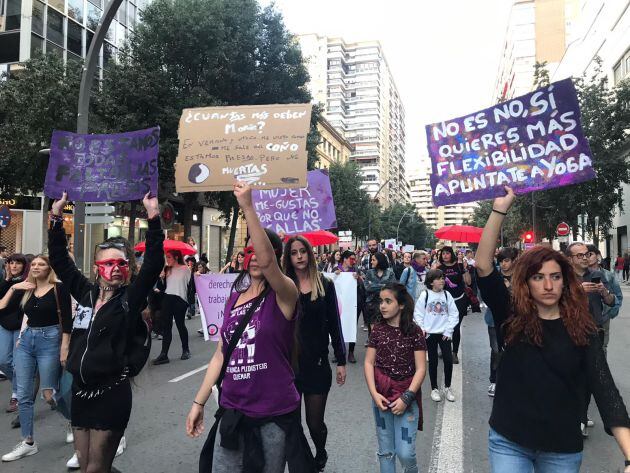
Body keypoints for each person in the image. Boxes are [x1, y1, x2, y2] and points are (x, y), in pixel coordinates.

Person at [476, 186, 630, 473]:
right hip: (509, 440)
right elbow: (483, 265)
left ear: (564, 281)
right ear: (526, 282)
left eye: (555, 277)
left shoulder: (583, 328)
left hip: (561, 447)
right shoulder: (511, 314)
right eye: (538, 277)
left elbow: (605, 390)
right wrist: (499, 209)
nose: (548, 286)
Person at [186, 181, 315, 472]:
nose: (255, 256)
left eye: (262, 250)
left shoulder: (286, 293)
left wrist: (247, 206)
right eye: (250, 251)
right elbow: (220, 354)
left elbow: (268, 264)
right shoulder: (234, 297)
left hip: (274, 413)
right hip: (233, 409)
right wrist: (199, 402)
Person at [44, 191, 162, 472]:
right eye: (108, 264)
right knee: (87, 467)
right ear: (97, 268)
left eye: (121, 263)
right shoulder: (85, 293)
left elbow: (154, 263)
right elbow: (59, 259)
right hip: (81, 394)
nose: (116, 269)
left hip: (111, 395)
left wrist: (153, 216)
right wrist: (57, 217)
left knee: (96, 468)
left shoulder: (129, 300)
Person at [283, 235, 347, 471]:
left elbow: (335, 325)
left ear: (309, 254)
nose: (299, 256)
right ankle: (305, 463)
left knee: (314, 423)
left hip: (317, 365)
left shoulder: (325, 284)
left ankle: (320, 450)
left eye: (303, 251)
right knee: (291, 422)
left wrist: (341, 361)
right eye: (293, 252)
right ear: (288, 257)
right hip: (287, 365)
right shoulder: (282, 284)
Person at [0, 255, 72, 462]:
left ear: (49, 268)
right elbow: (3, 306)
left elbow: (66, 320)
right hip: (27, 341)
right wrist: (13, 287)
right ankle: (28, 442)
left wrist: (64, 347)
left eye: (41, 264)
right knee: (23, 394)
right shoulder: (26, 288)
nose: (37, 267)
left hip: (50, 340)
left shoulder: (59, 288)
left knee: (49, 394)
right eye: (34, 264)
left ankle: (71, 420)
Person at [364, 282, 426, 473]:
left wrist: (407, 397)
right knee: (386, 451)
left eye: (388, 301)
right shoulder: (377, 330)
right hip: (381, 397)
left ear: (401, 305)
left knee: (405, 452)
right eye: (381, 301)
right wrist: (374, 394)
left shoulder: (414, 332)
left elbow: (421, 368)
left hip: (406, 398)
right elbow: (368, 363)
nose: (382, 305)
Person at [566, 241, 617, 437]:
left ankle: (581, 415)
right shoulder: (563, 278)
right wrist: (578, 291)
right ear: (570, 259)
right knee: (573, 377)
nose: (585, 258)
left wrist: (604, 292)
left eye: (586, 254)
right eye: (580, 255)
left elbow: (611, 301)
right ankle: (573, 416)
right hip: (571, 333)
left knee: (589, 379)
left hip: (594, 332)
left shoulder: (597, 275)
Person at [414, 269, 459, 403]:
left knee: (448, 359)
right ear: (431, 282)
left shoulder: (447, 295)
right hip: (430, 334)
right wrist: (422, 329)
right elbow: (418, 313)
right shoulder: (425, 295)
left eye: (442, 278)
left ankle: (447, 387)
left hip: (444, 334)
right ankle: (434, 388)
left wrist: (448, 330)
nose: (442, 280)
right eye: (438, 278)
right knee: (433, 361)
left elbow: (454, 313)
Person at [484, 247, 518, 397]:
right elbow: (485, 293)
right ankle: (494, 380)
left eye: (506, 260)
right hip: (494, 319)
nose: (503, 264)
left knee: (515, 349)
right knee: (496, 349)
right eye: (501, 261)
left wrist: (509, 288)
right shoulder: (494, 276)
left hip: (516, 319)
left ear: (513, 261)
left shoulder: (520, 277)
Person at [152, 250, 192, 365]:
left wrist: (188, 302)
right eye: (166, 257)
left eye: (169, 257)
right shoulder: (166, 269)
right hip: (167, 299)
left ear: (176, 257)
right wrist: (161, 278)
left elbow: (191, 286)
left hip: (180, 300)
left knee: (180, 325)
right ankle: (164, 354)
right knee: (166, 327)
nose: (167, 259)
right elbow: (162, 287)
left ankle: (186, 350)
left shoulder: (185, 269)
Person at [0, 253, 28, 413]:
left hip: (20, 326)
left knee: (18, 364)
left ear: (24, 265)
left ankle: (16, 394)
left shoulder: (28, 282)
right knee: (3, 361)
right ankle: (19, 387)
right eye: (11, 263)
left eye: (18, 263)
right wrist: (7, 280)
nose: (14, 266)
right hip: (4, 324)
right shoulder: (6, 282)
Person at [434, 246, 470, 364]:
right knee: (443, 326)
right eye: (443, 253)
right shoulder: (439, 268)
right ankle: (445, 349)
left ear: (451, 254)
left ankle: (454, 353)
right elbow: (434, 285)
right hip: (443, 301)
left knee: (455, 327)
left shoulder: (459, 266)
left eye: (447, 253)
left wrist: (465, 269)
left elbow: (468, 282)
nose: (445, 255)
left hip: (459, 299)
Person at [586, 245, 623, 356]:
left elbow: (618, 297)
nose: (586, 257)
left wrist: (608, 314)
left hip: (603, 319)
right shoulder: (582, 275)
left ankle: (602, 373)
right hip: (587, 317)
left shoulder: (609, 275)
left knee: (602, 348)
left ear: (598, 256)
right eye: (584, 255)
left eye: (590, 254)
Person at [336, 250, 364, 364]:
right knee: (338, 326)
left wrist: (358, 278)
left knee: (352, 325)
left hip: (353, 302)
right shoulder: (335, 269)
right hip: (340, 303)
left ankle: (351, 352)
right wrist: (335, 276)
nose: (354, 261)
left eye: (354, 259)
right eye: (351, 259)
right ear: (345, 259)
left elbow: (363, 284)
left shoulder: (356, 270)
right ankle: (340, 351)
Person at [364, 253, 396, 338]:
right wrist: (384, 285)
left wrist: (374, 285)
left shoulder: (390, 273)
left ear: (380, 261)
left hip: (386, 304)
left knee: (386, 330)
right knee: (373, 333)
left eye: (373, 260)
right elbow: (367, 287)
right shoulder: (369, 273)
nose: (371, 262)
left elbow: (392, 288)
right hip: (372, 304)